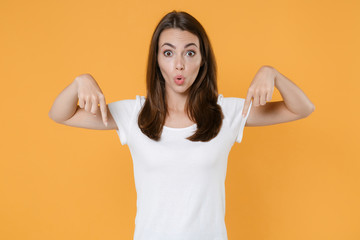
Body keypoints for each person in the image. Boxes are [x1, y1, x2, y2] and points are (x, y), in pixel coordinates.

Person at [48, 10, 315, 240]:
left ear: (202, 60)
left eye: (189, 53)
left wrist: (271, 73)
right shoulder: (133, 115)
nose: (179, 65)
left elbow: (302, 108)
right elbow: (61, 114)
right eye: (168, 53)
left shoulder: (227, 113)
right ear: (157, 60)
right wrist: (80, 81)